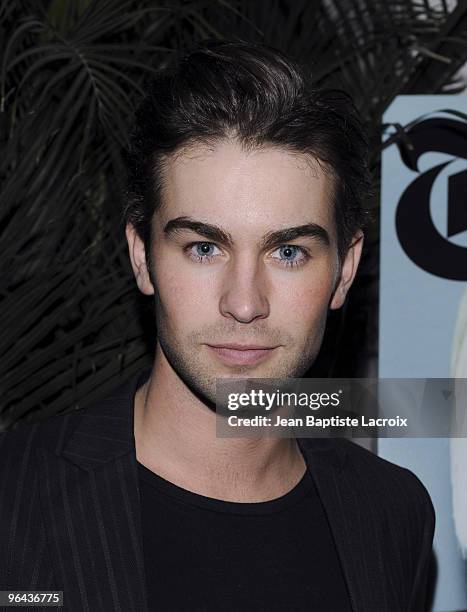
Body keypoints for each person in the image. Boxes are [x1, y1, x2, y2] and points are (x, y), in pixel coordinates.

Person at [1, 40, 435, 611]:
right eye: (204, 247)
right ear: (141, 256)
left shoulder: (392, 513)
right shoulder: (14, 494)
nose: (244, 303)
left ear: (345, 269)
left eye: (289, 253)